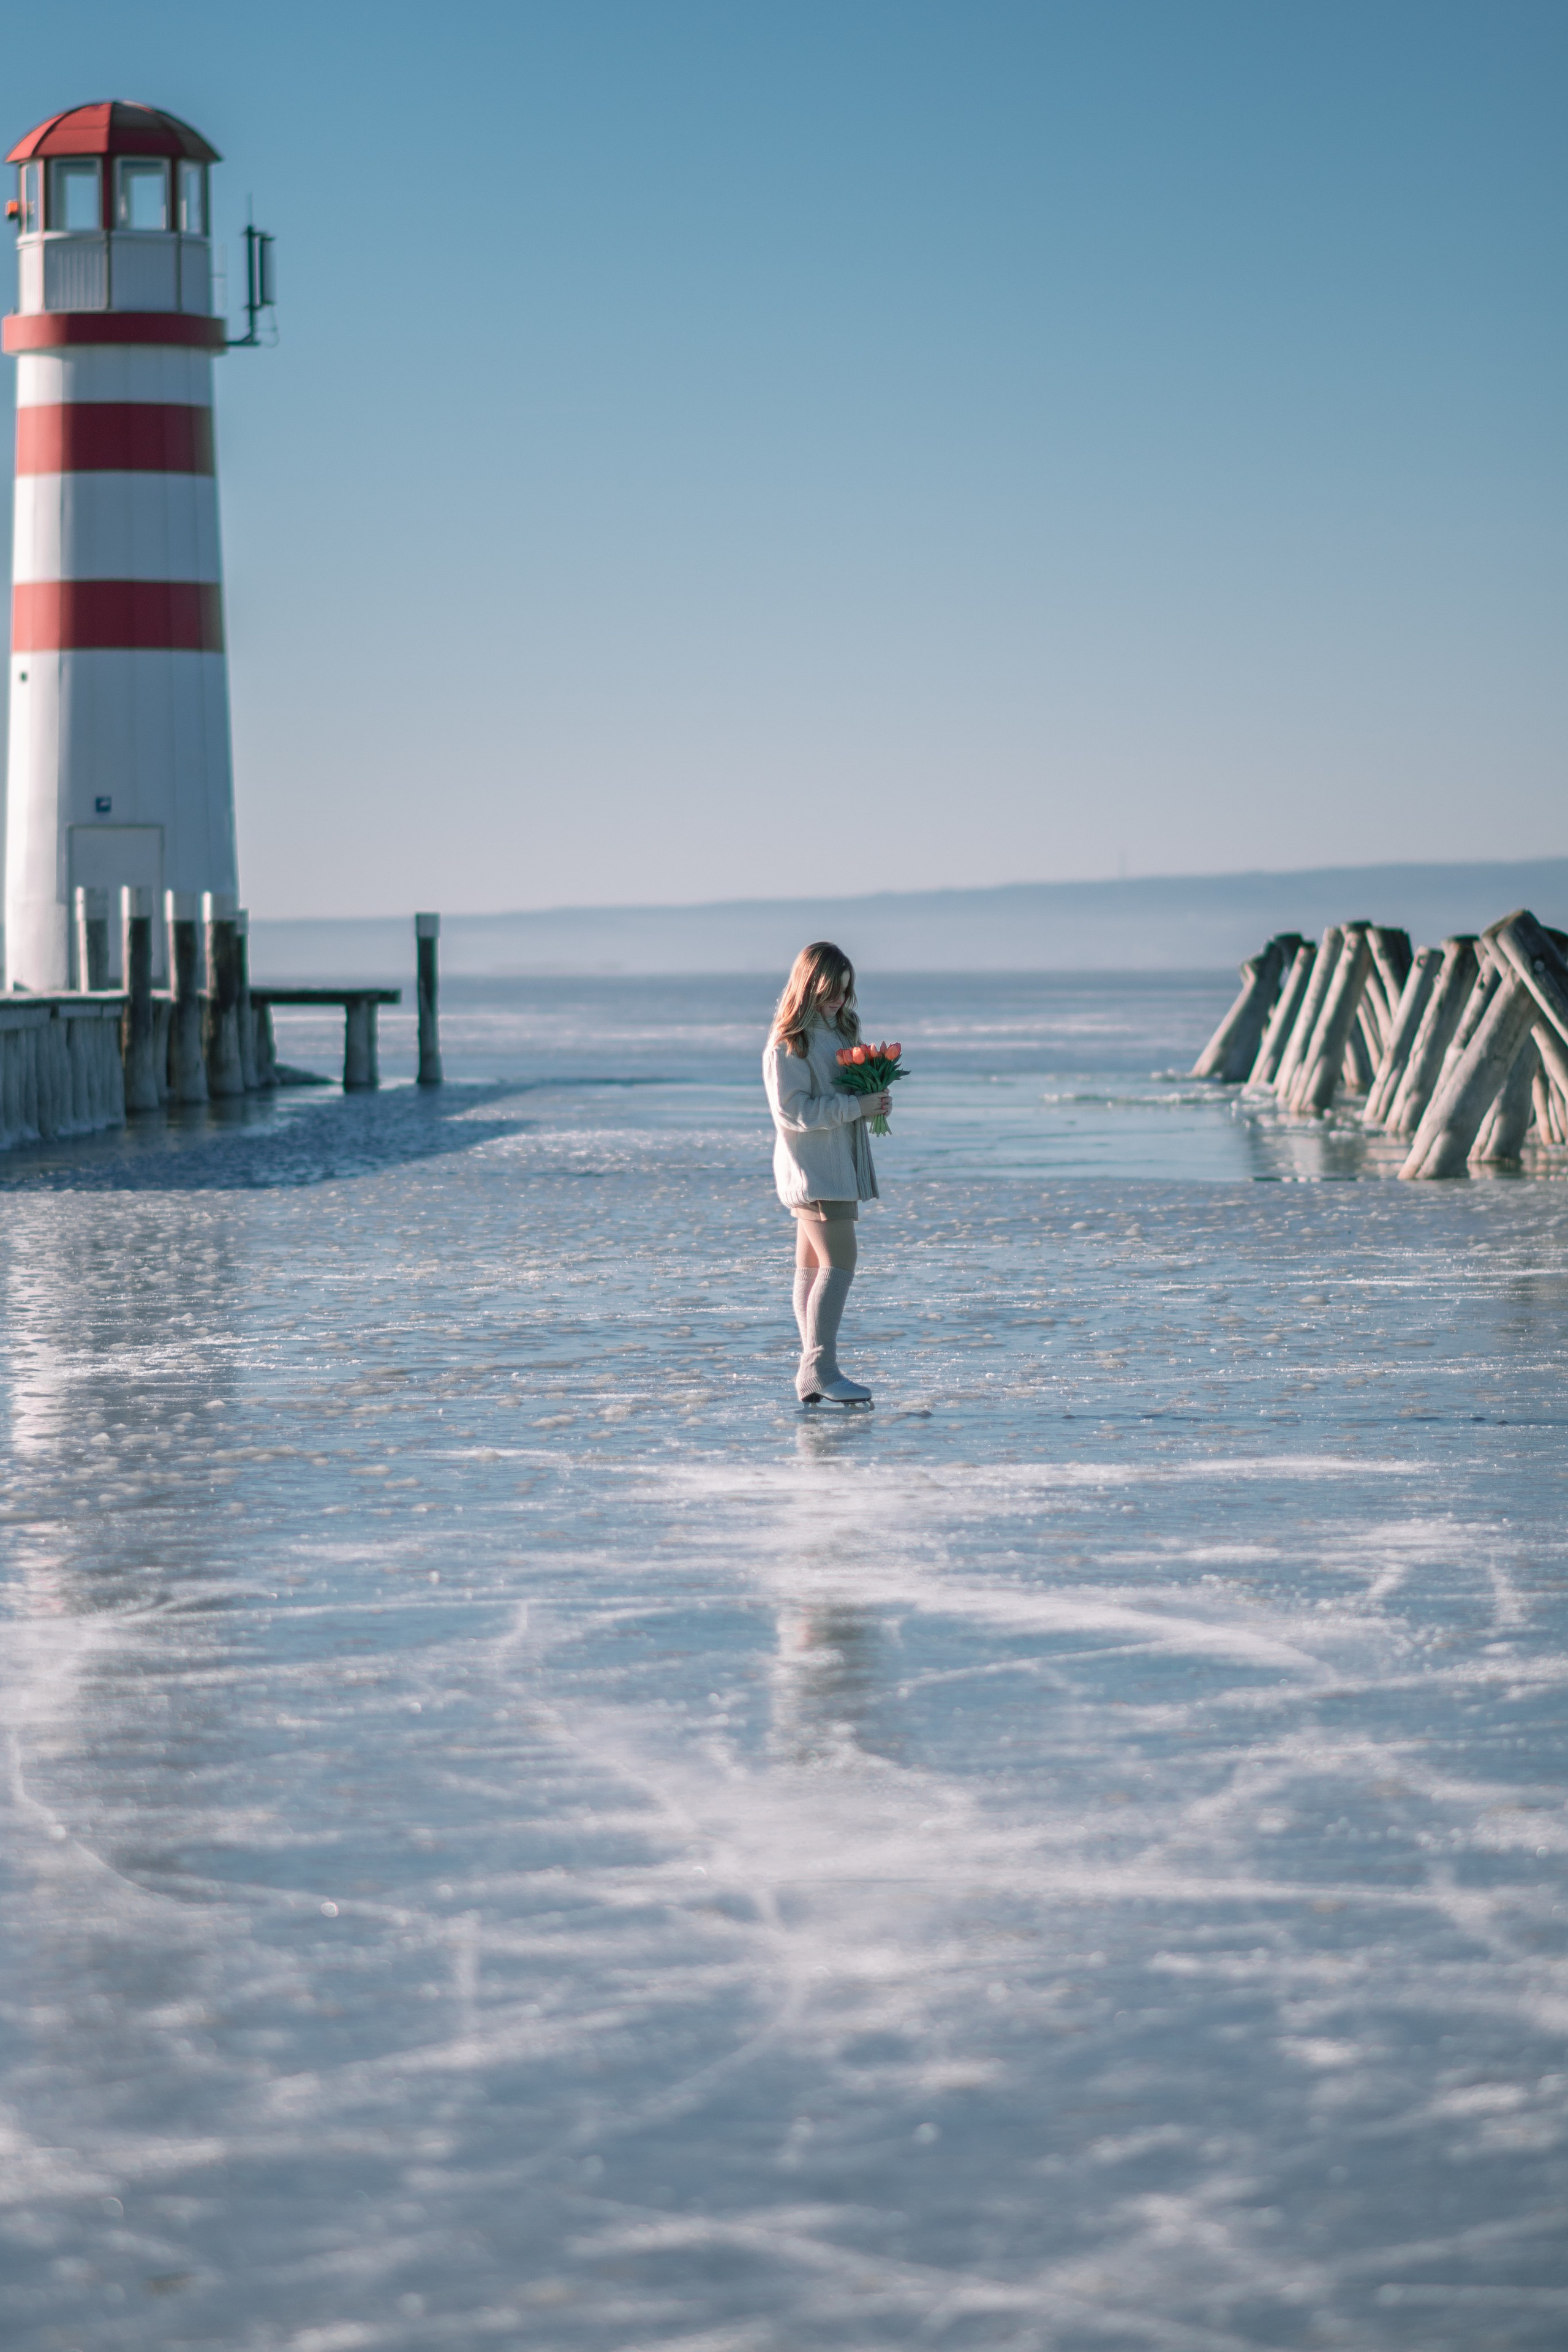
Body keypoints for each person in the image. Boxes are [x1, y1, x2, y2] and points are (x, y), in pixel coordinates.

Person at [763, 941, 889, 1406]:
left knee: (812, 1268)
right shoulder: (788, 1043)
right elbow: (793, 1112)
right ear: (809, 985)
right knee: (840, 1264)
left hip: (835, 1163)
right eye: (829, 990)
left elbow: (838, 1095)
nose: (838, 999)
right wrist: (856, 1106)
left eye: (844, 990)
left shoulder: (840, 1031)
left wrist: (871, 1098)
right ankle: (820, 1369)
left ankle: (812, 1371)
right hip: (815, 1170)